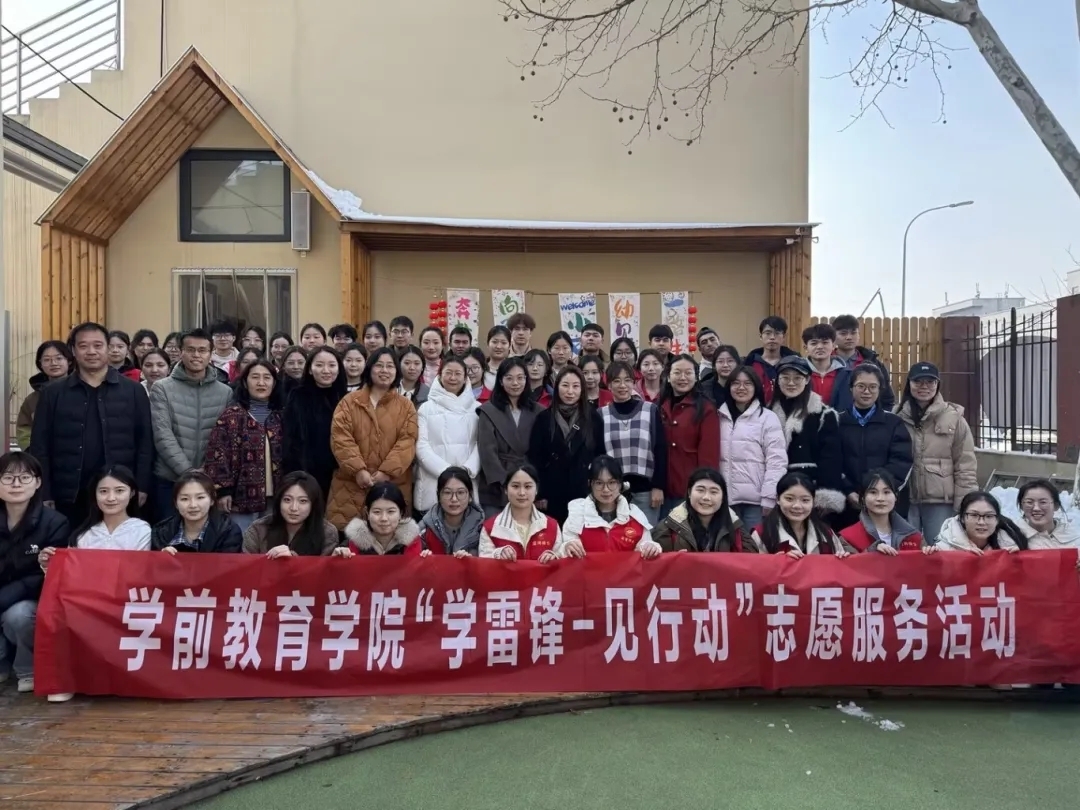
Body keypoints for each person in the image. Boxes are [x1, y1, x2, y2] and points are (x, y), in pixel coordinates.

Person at [30, 322, 153, 528]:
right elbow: (40, 446)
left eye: (98, 345)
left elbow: (145, 443)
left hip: (119, 491)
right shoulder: (53, 393)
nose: (91, 351)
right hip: (68, 493)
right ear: (73, 351)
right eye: (83, 346)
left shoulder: (133, 391)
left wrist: (142, 486)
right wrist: (45, 492)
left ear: (107, 348)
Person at [0, 452, 69, 696]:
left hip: (32, 596)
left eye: (24, 477)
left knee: (19, 615)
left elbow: (49, 574)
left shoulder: (55, 522)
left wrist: (7, 595)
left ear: (38, 482)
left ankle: (27, 670)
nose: (16, 484)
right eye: (8, 478)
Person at [328, 347, 418, 530]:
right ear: (369, 368)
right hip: (351, 485)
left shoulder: (406, 406)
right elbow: (340, 438)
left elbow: (407, 441)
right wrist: (358, 470)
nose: (385, 370)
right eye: (379, 365)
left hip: (392, 485)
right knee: (348, 542)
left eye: (390, 366)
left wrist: (386, 472)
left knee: (390, 539)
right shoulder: (349, 402)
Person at [149, 328, 233, 520]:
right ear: (181, 352)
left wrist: (206, 472)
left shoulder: (225, 392)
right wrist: (188, 473)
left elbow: (225, 439)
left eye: (202, 350)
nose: (196, 355)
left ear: (210, 354)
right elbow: (162, 435)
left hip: (210, 481)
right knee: (169, 535)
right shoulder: (162, 388)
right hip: (170, 479)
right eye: (190, 349)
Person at [896, 361, 977, 543]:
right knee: (906, 549)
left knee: (941, 547)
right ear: (909, 384)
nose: (924, 387)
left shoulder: (954, 418)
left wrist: (966, 502)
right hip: (905, 499)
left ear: (938, 384)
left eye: (930, 382)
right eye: (918, 381)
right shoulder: (896, 416)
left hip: (941, 501)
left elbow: (965, 464)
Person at [204, 360, 284, 533]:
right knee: (241, 542)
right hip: (240, 498)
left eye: (267, 378)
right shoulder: (231, 416)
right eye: (255, 377)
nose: (261, 383)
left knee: (271, 543)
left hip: (277, 497)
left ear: (274, 383)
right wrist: (223, 490)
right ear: (245, 383)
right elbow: (217, 454)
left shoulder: (281, 416)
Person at [837, 364, 913, 528]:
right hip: (845, 505)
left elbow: (902, 461)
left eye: (873, 387)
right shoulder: (836, 422)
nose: (867, 392)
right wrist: (848, 491)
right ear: (851, 388)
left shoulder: (893, 423)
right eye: (861, 386)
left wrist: (878, 492)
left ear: (880, 390)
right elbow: (830, 460)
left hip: (883, 505)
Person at [769, 356, 846, 514]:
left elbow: (831, 460)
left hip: (810, 492)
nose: (791, 383)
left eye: (797, 378)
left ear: (807, 380)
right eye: (785, 378)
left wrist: (824, 497)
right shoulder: (767, 413)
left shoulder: (823, 415)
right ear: (777, 380)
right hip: (774, 491)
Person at [528, 365, 604, 523]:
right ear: (557, 387)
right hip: (552, 492)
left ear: (582, 389)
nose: (570, 391)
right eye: (565, 385)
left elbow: (599, 455)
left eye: (576, 386)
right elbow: (535, 459)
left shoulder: (593, 417)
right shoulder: (543, 419)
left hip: (583, 491)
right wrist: (540, 493)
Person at [718, 364, 788, 529]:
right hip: (724, 499)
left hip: (756, 502)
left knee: (754, 542)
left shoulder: (767, 418)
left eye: (747, 383)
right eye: (736, 383)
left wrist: (769, 496)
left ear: (756, 387)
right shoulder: (718, 416)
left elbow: (776, 460)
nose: (741, 388)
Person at [600, 361, 666, 526]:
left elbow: (660, 449)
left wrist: (658, 486)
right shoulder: (601, 414)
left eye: (627, 380)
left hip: (646, 491)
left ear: (633, 383)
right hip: (613, 491)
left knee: (646, 536)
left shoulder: (650, 410)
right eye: (617, 381)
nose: (622, 385)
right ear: (609, 385)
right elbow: (599, 455)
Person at [560, 456, 661, 558]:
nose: (606, 489)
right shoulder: (577, 515)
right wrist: (566, 547)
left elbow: (645, 548)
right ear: (590, 484)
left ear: (620, 484)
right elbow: (561, 554)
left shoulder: (635, 516)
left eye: (611, 482)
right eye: (599, 483)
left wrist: (650, 547)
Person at [415, 357, 480, 515]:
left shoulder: (477, 409)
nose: (453, 378)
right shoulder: (426, 409)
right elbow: (421, 446)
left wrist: (466, 471)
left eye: (458, 373)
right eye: (448, 373)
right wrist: (447, 472)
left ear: (465, 378)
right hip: (433, 481)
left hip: (467, 478)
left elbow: (481, 445)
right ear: (439, 375)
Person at [659, 355, 720, 519]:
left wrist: (703, 488)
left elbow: (709, 455)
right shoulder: (660, 405)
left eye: (688, 373)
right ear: (668, 377)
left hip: (690, 488)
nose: (683, 377)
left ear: (696, 376)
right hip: (662, 490)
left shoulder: (705, 408)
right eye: (677, 372)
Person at [478, 358, 539, 518]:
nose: (515, 383)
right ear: (500, 381)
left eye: (520, 378)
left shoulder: (538, 411)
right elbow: (487, 451)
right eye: (509, 378)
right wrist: (505, 482)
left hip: (528, 481)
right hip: (496, 487)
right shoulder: (488, 411)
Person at [283, 346, 345, 499]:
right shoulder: (298, 395)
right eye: (319, 365)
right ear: (310, 369)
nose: (326, 370)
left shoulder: (345, 397)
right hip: (307, 471)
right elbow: (291, 439)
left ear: (339, 369)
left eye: (332, 365)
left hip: (339, 472)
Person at [751, 472, 853, 556]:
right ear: (778, 499)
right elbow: (753, 570)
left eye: (805, 500)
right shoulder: (761, 534)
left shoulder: (826, 533)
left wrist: (842, 559)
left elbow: (838, 571)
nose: (797, 506)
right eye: (789, 499)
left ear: (813, 501)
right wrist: (776, 563)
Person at [651, 467, 751, 552]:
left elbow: (749, 561)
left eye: (713, 492)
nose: (706, 497)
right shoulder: (668, 526)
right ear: (689, 493)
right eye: (700, 490)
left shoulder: (736, 528)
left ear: (723, 497)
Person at [242, 471, 339, 557]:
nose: (293, 508)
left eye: (303, 501)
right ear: (279, 501)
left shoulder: (327, 532)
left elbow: (325, 570)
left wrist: (293, 561)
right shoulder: (258, 529)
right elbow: (247, 567)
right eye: (287, 500)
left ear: (313, 504)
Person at [479, 464, 562, 560]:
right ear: (506, 489)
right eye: (515, 486)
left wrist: (555, 557)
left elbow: (561, 561)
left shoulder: (552, 526)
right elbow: (484, 564)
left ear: (536, 490)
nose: (522, 493)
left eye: (528, 486)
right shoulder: (490, 527)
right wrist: (497, 554)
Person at [150, 470, 243, 553]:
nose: (193, 505)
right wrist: (162, 559)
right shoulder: (161, 532)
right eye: (184, 499)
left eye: (200, 497)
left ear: (212, 500)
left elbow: (229, 565)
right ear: (176, 503)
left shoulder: (228, 531)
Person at [65, 466, 152, 551]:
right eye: (103, 491)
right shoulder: (81, 535)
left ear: (132, 493)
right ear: (94, 494)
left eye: (119, 491)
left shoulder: (141, 530)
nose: (111, 498)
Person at [840, 469, 925, 554]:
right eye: (873, 492)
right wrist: (871, 551)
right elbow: (850, 562)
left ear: (895, 496)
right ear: (862, 498)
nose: (880, 498)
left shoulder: (915, 537)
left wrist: (929, 555)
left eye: (886, 492)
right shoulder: (848, 538)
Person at [927, 491, 1026, 554]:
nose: (981, 522)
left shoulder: (1010, 545)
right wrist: (930, 555)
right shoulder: (944, 549)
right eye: (974, 515)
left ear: (997, 519)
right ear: (962, 518)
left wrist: (1019, 559)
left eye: (989, 516)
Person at [831, 314, 895, 410]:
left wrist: (880, 417)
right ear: (833, 337)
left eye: (853, 333)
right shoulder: (825, 363)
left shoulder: (873, 364)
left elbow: (886, 398)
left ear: (859, 335)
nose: (849, 337)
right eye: (843, 333)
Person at [415, 467, 485, 556]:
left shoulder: (482, 528)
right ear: (438, 495)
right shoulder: (424, 528)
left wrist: (471, 560)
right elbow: (411, 559)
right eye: (447, 493)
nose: (454, 499)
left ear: (470, 496)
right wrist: (423, 559)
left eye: (460, 493)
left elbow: (488, 558)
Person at [16, 340, 72, 449]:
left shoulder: (83, 391)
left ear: (69, 361)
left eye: (59, 358)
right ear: (40, 364)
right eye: (47, 359)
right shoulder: (32, 400)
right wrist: (31, 452)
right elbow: (24, 430)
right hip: (42, 456)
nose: (53, 363)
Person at [343, 482, 422, 556]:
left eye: (391, 511)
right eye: (377, 512)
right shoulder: (355, 541)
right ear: (367, 513)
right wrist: (340, 557)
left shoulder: (412, 540)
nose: (384, 518)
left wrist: (425, 559)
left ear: (400, 513)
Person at [746, 316, 800, 405]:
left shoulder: (794, 363)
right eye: (768, 333)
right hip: (756, 410)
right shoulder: (750, 363)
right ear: (761, 336)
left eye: (777, 333)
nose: (772, 337)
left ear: (784, 337)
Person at [1016, 479, 1080, 550]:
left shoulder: (1074, 538)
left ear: (1056, 505)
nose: (1036, 508)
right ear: (1021, 506)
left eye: (1043, 502)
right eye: (1029, 502)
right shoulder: (1011, 539)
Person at [802, 323, 851, 410]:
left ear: (833, 346)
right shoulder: (799, 373)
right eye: (814, 343)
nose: (820, 347)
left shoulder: (847, 374)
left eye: (825, 342)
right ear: (806, 348)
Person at [484, 325, 512, 389]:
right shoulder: (481, 369)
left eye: (503, 343)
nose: (499, 346)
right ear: (488, 344)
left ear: (510, 346)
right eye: (494, 342)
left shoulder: (514, 369)